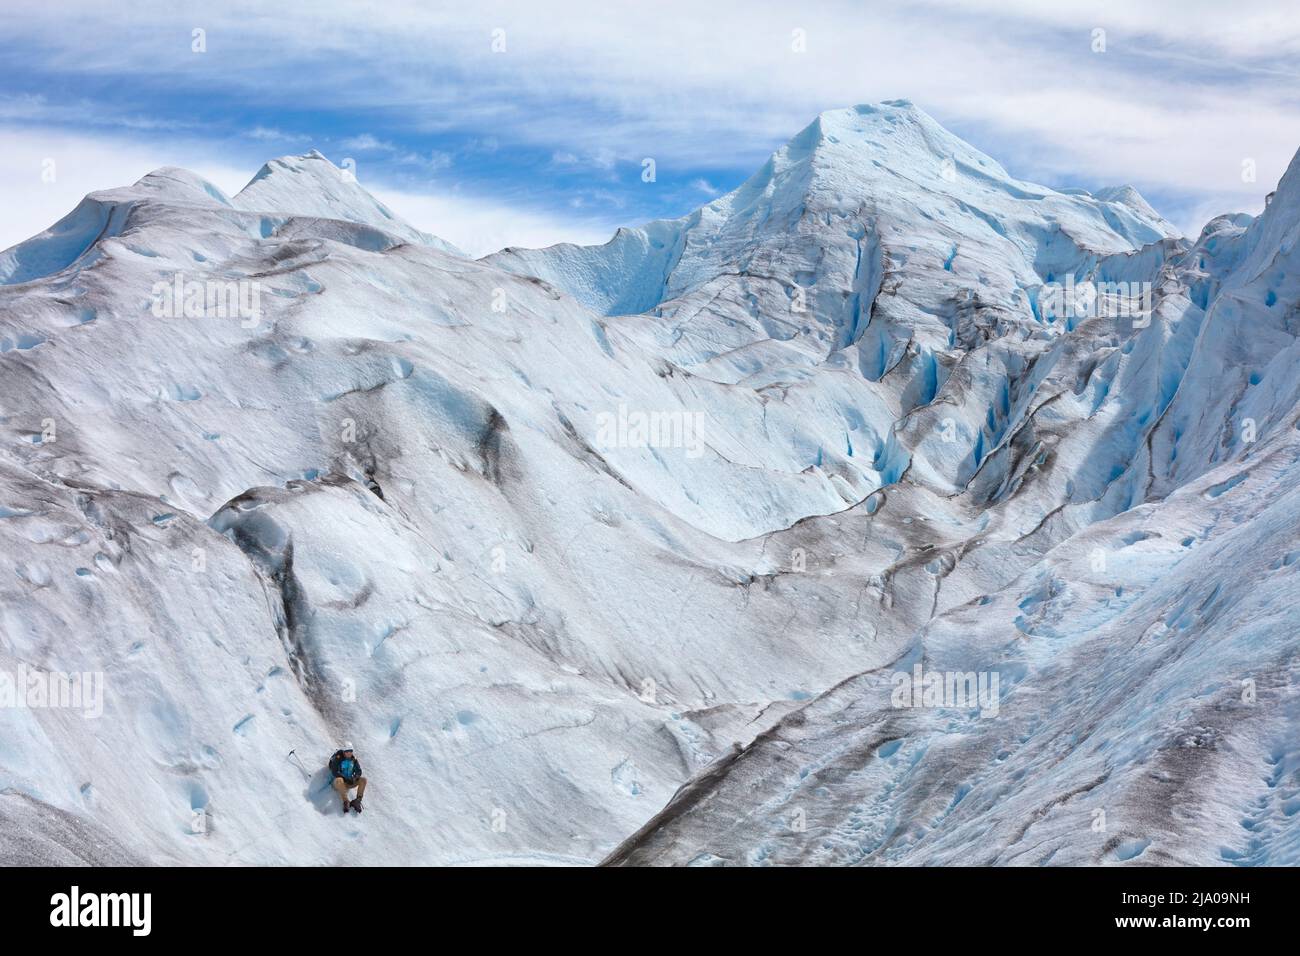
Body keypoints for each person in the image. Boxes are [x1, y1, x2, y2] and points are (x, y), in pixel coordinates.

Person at [329, 743, 366, 814]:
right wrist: (346, 779)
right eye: (347, 751)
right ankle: (346, 801)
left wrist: (355, 778)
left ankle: (357, 801)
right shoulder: (339, 758)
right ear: (344, 752)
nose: (349, 753)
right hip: (339, 783)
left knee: (363, 780)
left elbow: (359, 771)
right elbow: (334, 771)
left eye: (350, 751)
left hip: (349, 783)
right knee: (339, 780)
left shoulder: (353, 760)